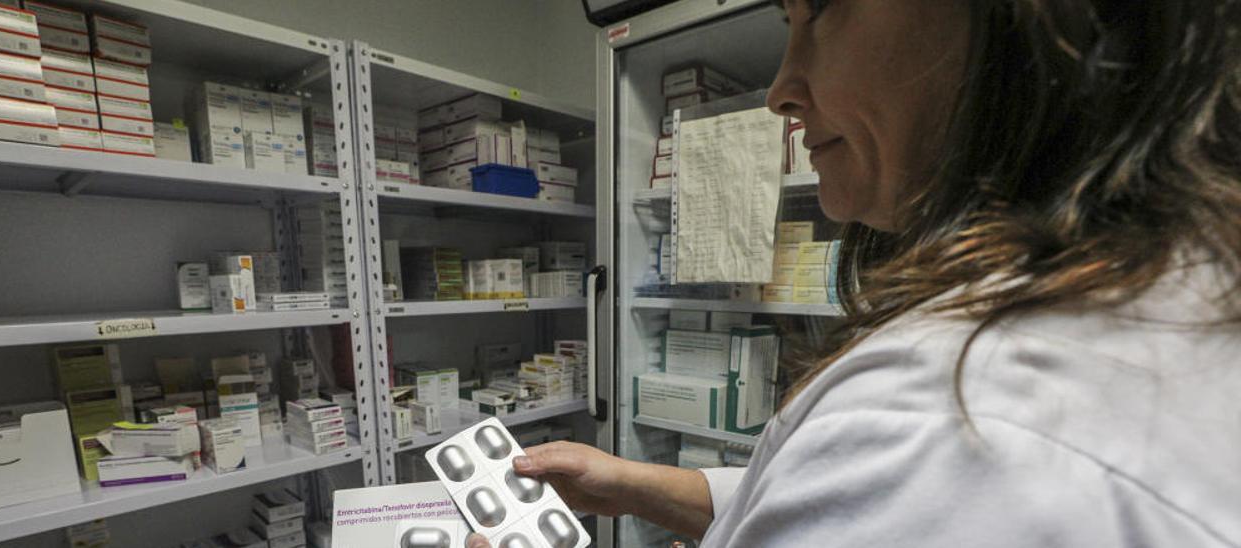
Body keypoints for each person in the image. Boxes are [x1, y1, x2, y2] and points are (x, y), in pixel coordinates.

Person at [471, 0, 1241, 545]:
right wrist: (637, 483)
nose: (780, 90)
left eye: (821, 11)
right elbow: (814, 502)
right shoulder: (1159, 293)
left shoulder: (949, 424)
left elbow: (878, 490)